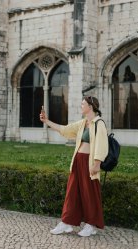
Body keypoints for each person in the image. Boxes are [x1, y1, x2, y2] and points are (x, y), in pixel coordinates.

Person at [39, 96, 108, 237]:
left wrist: (97, 163)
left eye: (83, 104)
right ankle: (67, 222)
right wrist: (46, 121)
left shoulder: (99, 123)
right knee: (72, 192)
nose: (81, 106)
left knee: (90, 194)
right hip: (78, 161)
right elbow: (64, 129)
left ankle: (91, 225)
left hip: (90, 162)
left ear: (91, 106)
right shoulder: (83, 124)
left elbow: (102, 144)